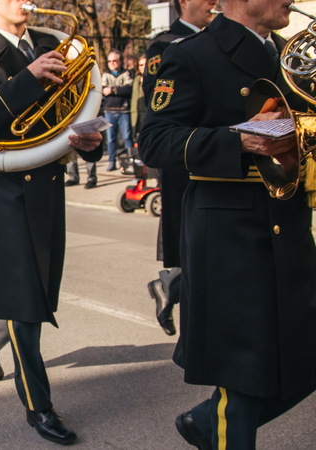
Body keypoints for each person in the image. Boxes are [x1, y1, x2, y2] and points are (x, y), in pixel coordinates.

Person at [139, 1, 316, 448]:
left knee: (304, 357)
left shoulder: (291, 55)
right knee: (242, 382)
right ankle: (217, 424)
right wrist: (235, 138)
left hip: (289, 224)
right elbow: (154, 139)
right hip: (230, 240)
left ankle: (204, 422)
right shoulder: (191, 54)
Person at [0, 0, 102, 444]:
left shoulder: (49, 45)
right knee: (25, 302)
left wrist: (88, 142)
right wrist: (28, 77)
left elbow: (68, 114)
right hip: (4, 191)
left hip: (46, 187)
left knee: (37, 290)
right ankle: (39, 407)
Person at [142, 0, 217, 336]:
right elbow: (159, 103)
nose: (214, 3)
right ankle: (173, 285)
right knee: (194, 244)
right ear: (183, 2)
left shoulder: (219, 38)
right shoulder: (165, 45)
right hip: (185, 157)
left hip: (216, 154)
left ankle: (169, 285)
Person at [102, 49, 133, 171]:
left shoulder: (127, 74)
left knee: (127, 137)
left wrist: (113, 91)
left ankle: (130, 161)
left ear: (120, 61)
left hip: (123, 110)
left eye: (115, 60)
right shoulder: (105, 74)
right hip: (109, 111)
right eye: (109, 61)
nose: (112, 63)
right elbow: (103, 90)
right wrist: (117, 90)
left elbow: (128, 90)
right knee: (110, 139)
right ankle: (111, 161)